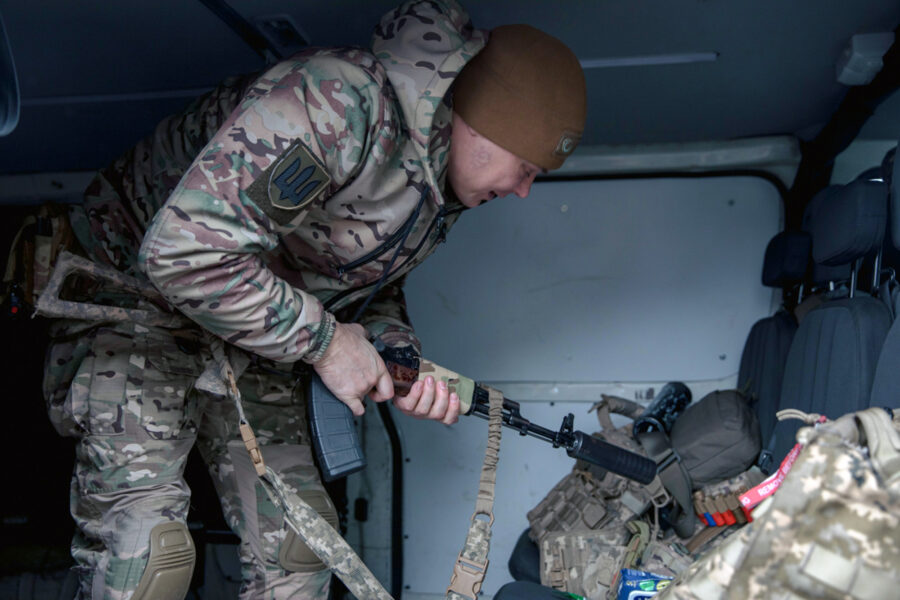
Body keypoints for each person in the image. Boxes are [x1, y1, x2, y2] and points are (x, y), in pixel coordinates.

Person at [42, 0, 587, 597]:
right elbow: (187, 252)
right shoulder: (338, 104)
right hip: (138, 307)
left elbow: (364, 284)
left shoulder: (435, 190)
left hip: (258, 333)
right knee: (150, 559)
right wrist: (328, 344)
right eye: (526, 168)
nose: (524, 191)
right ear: (482, 124)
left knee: (302, 553)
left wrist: (394, 356)